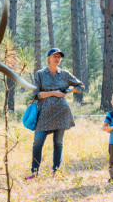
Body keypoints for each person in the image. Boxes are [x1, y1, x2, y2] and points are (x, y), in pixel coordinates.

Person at [26, 48, 85, 179]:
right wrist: (53, 93)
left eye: (59, 57)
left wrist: (69, 92)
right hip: (44, 114)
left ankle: (56, 171)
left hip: (61, 112)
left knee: (58, 143)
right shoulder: (40, 74)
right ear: (48, 59)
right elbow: (36, 95)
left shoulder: (64, 74)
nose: (57, 59)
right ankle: (34, 172)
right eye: (55, 56)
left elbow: (81, 86)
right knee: (38, 142)